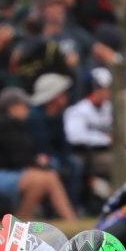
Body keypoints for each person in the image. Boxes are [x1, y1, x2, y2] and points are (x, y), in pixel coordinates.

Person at [0, 87, 77, 220]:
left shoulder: (16, 124)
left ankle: (22, 221)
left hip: (13, 171)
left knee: (46, 178)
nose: (27, 110)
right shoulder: (2, 125)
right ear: (12, 107)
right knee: (46, 178)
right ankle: (69, 219)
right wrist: (36, 161)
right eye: (24, 106)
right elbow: (16, 158)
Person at [27, 73, 83, 210]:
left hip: (55, 154)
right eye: (63, 93)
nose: (66, 96)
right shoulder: (35, 116)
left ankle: (73, 206)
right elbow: (38, 143)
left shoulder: (58, 115)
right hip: (37, 157)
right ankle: (51, 209)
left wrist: (65, 157)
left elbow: (63, 143)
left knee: (74, 164)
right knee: (54, 165)